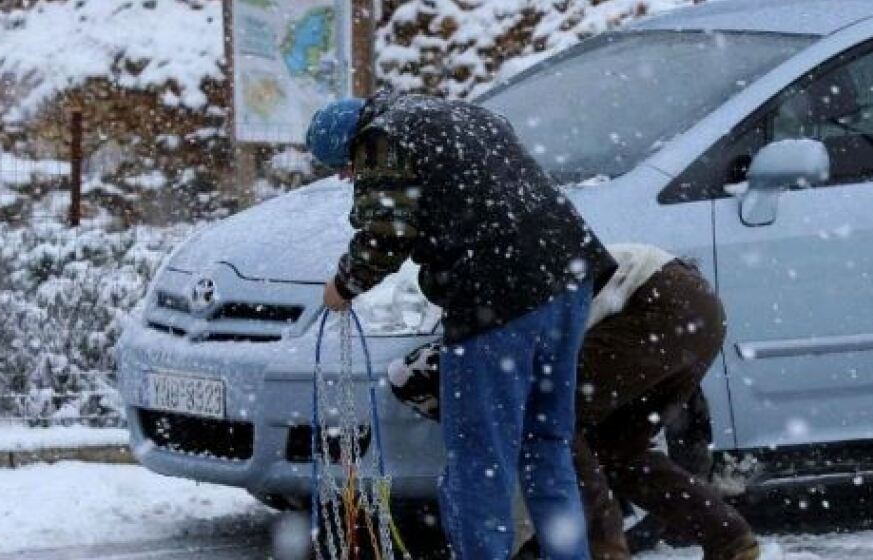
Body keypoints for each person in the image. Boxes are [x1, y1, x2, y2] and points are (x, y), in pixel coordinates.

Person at [306, 91, 616, 560]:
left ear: (350, 147)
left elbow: (386, 232)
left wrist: (344, 285)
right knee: (546, 443)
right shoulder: (458, 113)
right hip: (570, 276)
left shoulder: (382, 137)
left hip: (497, 297)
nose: (350, 177)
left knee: (480, 460)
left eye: (346, 168)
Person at [389, 244, 761, 560]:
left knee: (553, 424)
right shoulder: (502, 285)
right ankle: (729, 539)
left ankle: (602, 551)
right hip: (697, 312)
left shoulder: (494, 317)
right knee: (619, 449)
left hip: (656, 304)